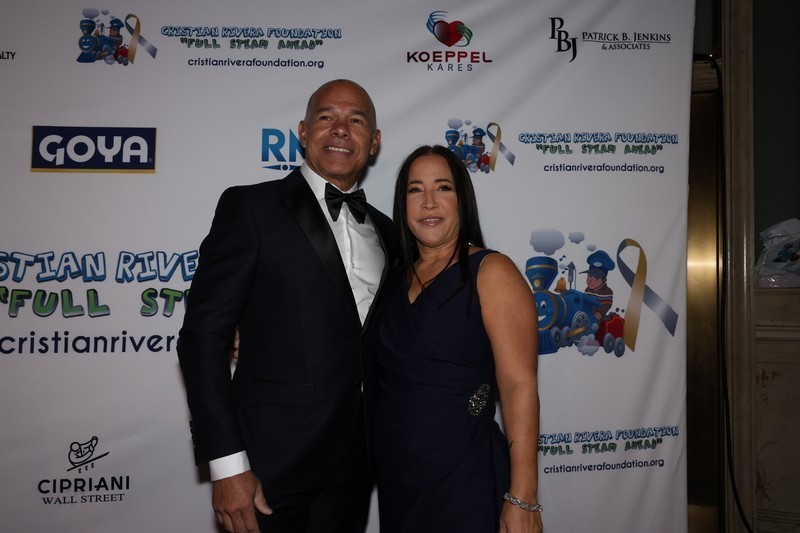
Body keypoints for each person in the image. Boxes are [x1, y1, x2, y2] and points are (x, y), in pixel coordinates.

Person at [177, 79, 393, 533]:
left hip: (357, 468)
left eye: (356, 121)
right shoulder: (250, 207)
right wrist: (227, 465)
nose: (340, 129)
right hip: (268, 466)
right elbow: (202, 338)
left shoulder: (389, 232)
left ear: (373, 142)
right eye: (326, 117)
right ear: (303, 131)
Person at [373, 145, 543, 532]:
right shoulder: (393, 277)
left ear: (461, 199)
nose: (429, 202)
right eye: (415, 190)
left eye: (443, 187)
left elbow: (519, 385)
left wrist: (523, 497)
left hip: (464, 473)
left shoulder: (492, 271)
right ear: (402, 203)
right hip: (399, 478)